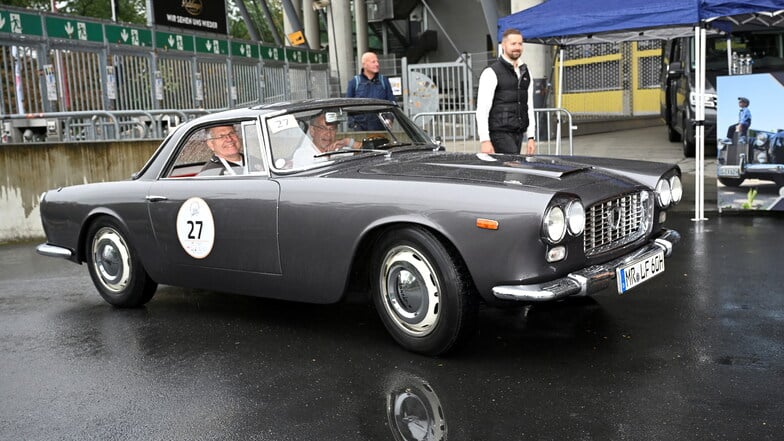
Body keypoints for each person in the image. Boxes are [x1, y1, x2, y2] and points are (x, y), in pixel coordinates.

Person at [476, 28, 537, 155]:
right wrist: (485, 140)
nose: (517, 47)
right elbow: (482, 109)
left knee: (508, 173)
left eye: (520, 44)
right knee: (512, 172)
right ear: (503, 45)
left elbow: (529, 106)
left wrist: (531, 137)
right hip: (499, 134)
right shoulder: (491, 72)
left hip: (518, 133)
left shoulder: (526, 72)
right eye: (513, 44)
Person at [346, 52, 395, 130]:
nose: (377, 64)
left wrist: (389, 119)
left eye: (377, 61)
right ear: (364, 64)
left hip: (381, 128)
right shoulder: (354, 82)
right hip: (360, 130)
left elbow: (391, 102)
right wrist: (353, 124)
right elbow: (348, 105)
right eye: (373, 62)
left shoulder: (383, 81)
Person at [292, 112, 359, 167]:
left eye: (332, 129)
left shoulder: (342, 150)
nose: (328, 134)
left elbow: (367, 153)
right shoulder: (303, 154)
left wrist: (349, 142)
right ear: (312, 131)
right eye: (323, 128)